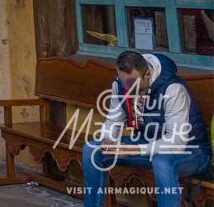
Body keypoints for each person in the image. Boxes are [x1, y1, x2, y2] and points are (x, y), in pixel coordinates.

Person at [82, 50, 211, 207]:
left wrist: (134, 149)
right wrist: (108, 140)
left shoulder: (173, 89)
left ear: (148, 75)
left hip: (191, 151)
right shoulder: (121, 85)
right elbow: (113, 121)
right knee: (91, 149)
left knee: (162, 162)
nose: (128, 91)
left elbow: (176, 142)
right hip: (145, 144)